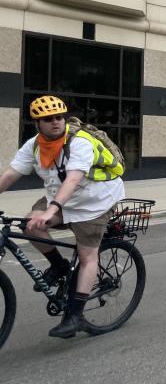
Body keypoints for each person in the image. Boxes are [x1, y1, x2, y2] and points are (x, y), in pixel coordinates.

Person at [0, 96, 125, 338]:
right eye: (48, 119)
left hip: (94, 200)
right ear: (37, 123)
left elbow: (74, 178)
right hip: (61, 195)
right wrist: (50, 209)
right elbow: (9, 175)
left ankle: (76, 315)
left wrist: (52, 209)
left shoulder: (79, 142)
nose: (55, 122)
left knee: (87, 255)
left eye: (59, 117)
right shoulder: (34, 145)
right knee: (31, 225)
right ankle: (59, 266)